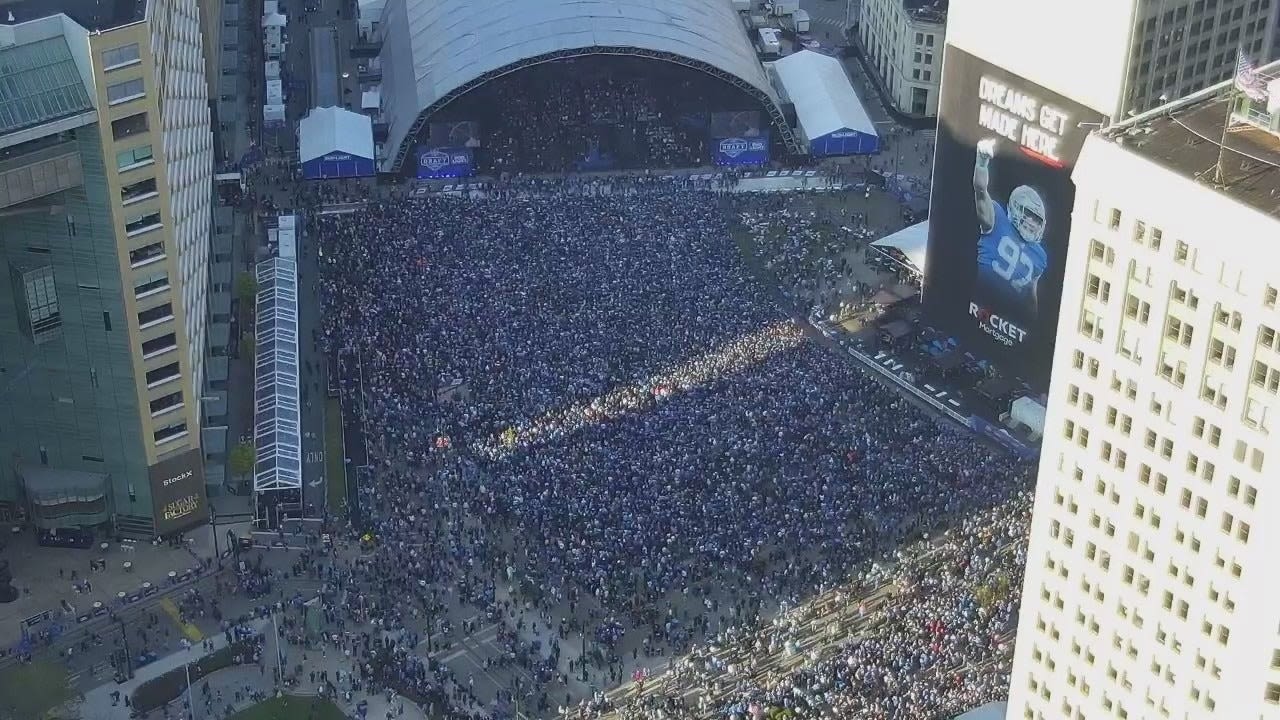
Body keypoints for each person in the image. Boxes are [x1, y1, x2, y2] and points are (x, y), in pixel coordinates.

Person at [973, 137, 1047, 316]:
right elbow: (981, 191)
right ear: (1016, 208)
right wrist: (982, 163)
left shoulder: (1040, 256)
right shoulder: (997, 219)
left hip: (1011, 315)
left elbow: (1031, 298)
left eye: (1037, 219)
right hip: (981, 301)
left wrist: (1032, 325)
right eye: (1028, 214)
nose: (1032, 222)